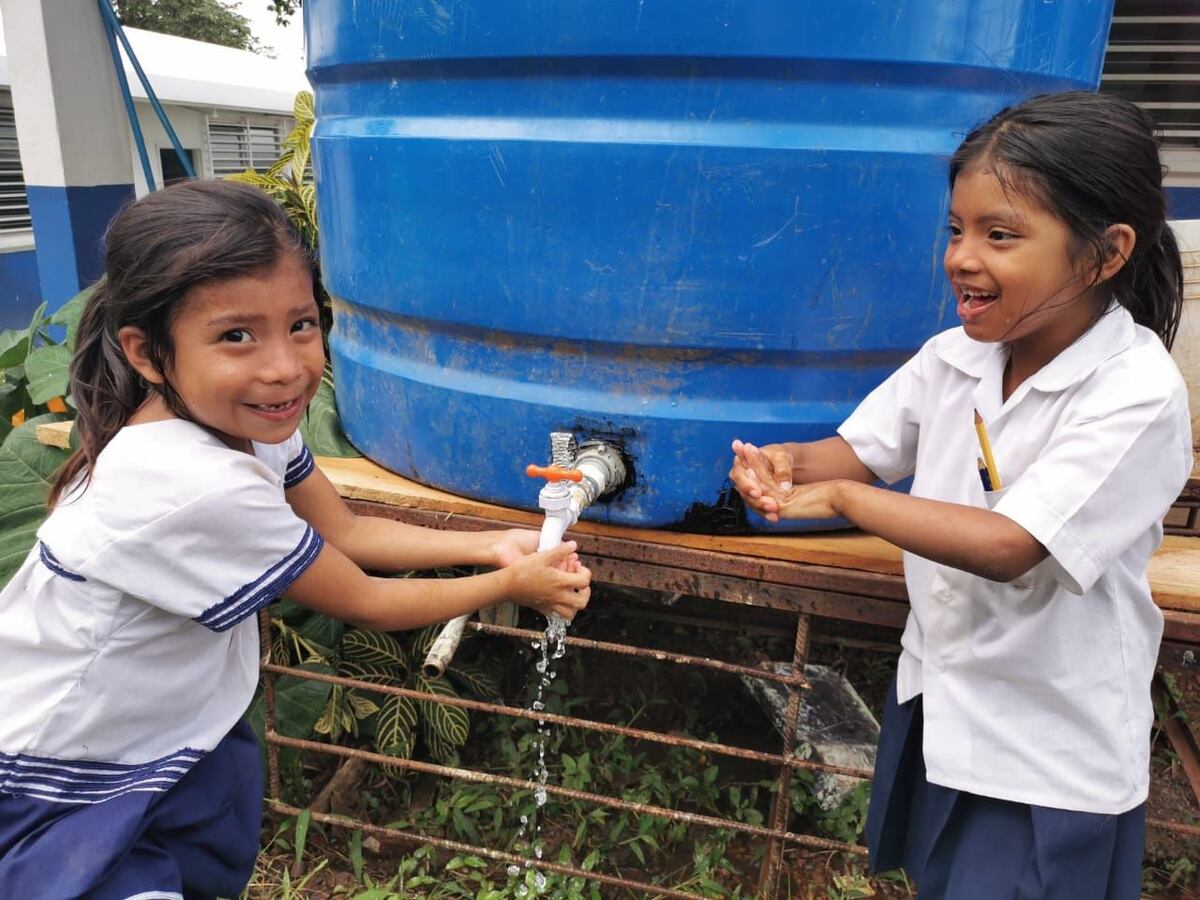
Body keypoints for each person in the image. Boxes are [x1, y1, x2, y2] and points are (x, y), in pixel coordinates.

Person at [0, 179, 592, 899]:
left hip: (141, 740)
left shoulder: (236, 430)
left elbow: (344, 529)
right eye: (236, 336)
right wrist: (510, 585)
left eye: (302, 325)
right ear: (148, 354)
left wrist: (490, 543)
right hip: (52, 775)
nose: (285, 367)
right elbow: (366, 599)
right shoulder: (195, 483)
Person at [729, 91, 1191, 899]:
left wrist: (844, 501)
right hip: (942, 702)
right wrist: (789, 463)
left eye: (1000, 235)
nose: (961, 258)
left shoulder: (1135, 389)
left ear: (1106, 252)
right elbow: (856, 452)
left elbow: (1011, 546)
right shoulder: (956, 357)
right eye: (956, 229)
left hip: (1049, 749)